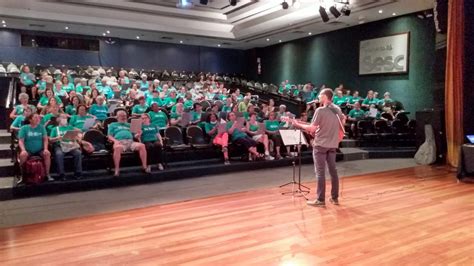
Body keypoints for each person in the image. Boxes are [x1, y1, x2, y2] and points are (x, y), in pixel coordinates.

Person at [291, 88, 345, 207]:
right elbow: (340, 124)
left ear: (325, 97)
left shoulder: (320, 110)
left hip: (320, 145)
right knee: (333, 171)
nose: (318, 97)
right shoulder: (338, 110)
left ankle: (320, 200)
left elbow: (312, 129)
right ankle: (334, 198)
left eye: (320, 95)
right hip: (332, 145)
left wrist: (297, 124)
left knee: (320, 172)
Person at [107, 110, 149, 177]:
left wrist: (139, 134)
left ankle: (144, 167)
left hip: (130, 141)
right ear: (117, 117)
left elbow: (135, 136)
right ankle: (117, 170)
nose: (123, 117)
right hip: (120, 142)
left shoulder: (129, 125)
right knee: (117, 148)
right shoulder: (113, 125)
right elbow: (109, 136)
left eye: (125, 116)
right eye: (121, 116)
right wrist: (115, 141)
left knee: (142, 145)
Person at [18, 113, 52, 181]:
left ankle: (47, 175)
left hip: (40, 150)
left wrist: (45, 149)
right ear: (30, 120)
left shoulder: (42, 127)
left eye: (38, 118)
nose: (38, 119)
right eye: (35, 117)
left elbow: (45, 139)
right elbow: (21, 141)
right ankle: (22, 175)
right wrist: (23, 150)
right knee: (22, 155)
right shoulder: (24, 128)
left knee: (47, 154)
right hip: (28, 150)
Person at [49, 114, 83, 180]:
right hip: (59, 145)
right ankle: (61, 174)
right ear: (58, 119)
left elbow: (78, 134)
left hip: (70, 145)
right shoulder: (55, 129)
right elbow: (50, 140)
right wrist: (57, 138)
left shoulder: (70, 127)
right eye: (63, 118)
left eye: (66, 118)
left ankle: (78, 173)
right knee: (59, 154)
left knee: (78, 153)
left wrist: (77, 137)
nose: (65, 119)